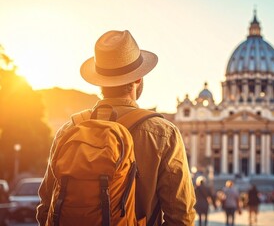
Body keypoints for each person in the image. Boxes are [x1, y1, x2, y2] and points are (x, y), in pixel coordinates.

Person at [36, 30, 196, 225]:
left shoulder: (68, 130)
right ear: (138, 79)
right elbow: (181, 216)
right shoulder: (163, 133)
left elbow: (46, 206)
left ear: (99, 81)